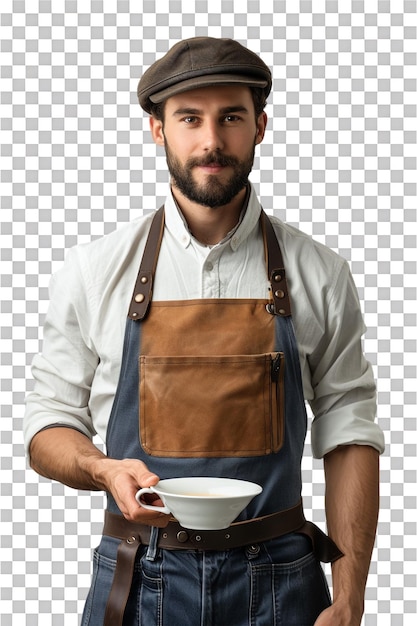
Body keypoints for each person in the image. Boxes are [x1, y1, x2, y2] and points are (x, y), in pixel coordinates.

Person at [24, 37, 385, 626]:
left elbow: (349, 428)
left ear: (260, 126)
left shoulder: (319, 272)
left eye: (231, 118)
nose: (211, 141)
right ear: (158, 130)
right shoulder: (95, 271)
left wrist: (350, 597)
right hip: (139, 576)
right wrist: (104, 469)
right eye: (190, 118)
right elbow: (49, 421)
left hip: (281, 581)